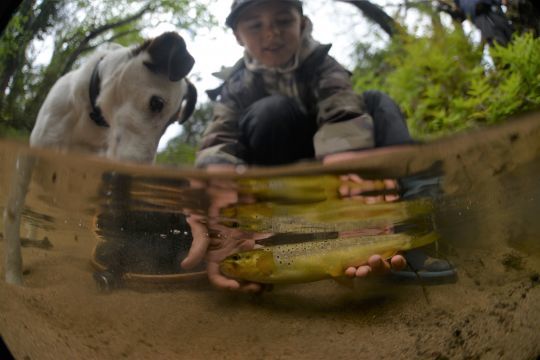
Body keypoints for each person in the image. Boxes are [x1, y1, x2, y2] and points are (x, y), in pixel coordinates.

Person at [183, 0, 454, 292]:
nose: (271, 33)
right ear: (238, 36)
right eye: (255, 25)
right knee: (270, 112)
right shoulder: (234, 89)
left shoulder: (324, 64)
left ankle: (406, 225)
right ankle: (279, 241)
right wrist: (215, 187)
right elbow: (218, 141)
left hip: (341, 170)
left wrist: (348, 168)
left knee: (377, 101)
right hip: (284, 185)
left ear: (302, 23)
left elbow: (342, 109)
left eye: (283, 21)